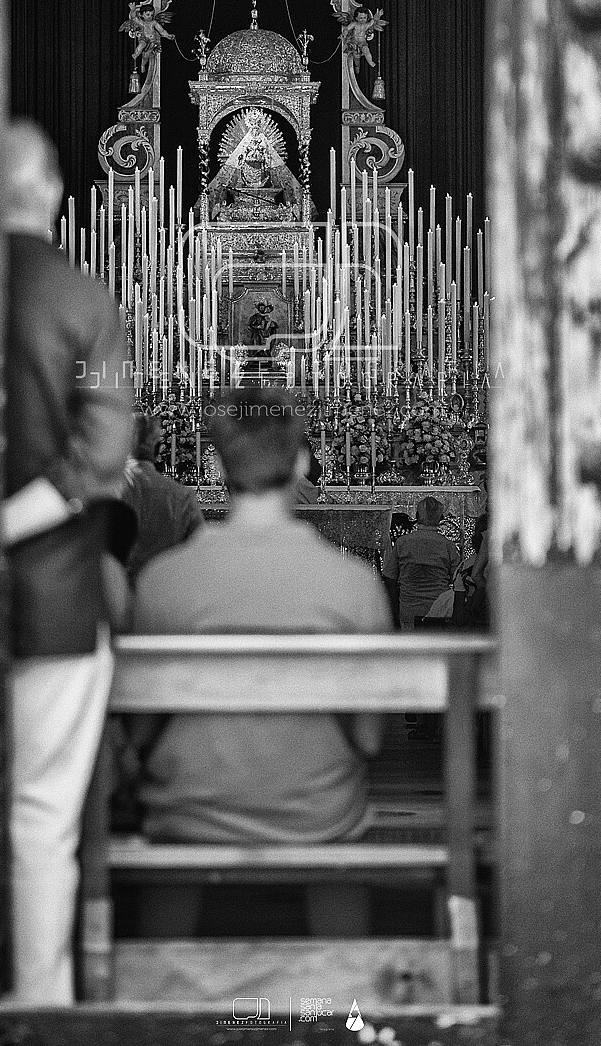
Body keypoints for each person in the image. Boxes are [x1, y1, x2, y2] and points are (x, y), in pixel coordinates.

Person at [129, 386, 392, 937]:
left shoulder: (162, 581)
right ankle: (346, 1002)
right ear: (301, 462)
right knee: (343, 822)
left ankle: (158, 981)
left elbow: (142, 729)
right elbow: (369, 738)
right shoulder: (353, 585)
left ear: (213, 461)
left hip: (189, 811)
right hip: (318, 813)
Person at [0, 119, 135, 1004]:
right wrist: (6, 525)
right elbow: (102, 456)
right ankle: (36, 1004)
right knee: (42, 816)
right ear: (50, 188)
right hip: (51, 598)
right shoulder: (82, 299)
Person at [121, 411, 204, 589]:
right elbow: (200, 554)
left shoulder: (105, 493)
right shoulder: (182, 496)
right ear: (157, 443)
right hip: (164, 591)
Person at [382, 496, 461, 630]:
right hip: (438, 608)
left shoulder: (403, 542)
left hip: (408, 607)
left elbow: (389, 577)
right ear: (441, 518)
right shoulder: (447, 545)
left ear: (417, 516)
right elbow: (459, 579)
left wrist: (394, 610)